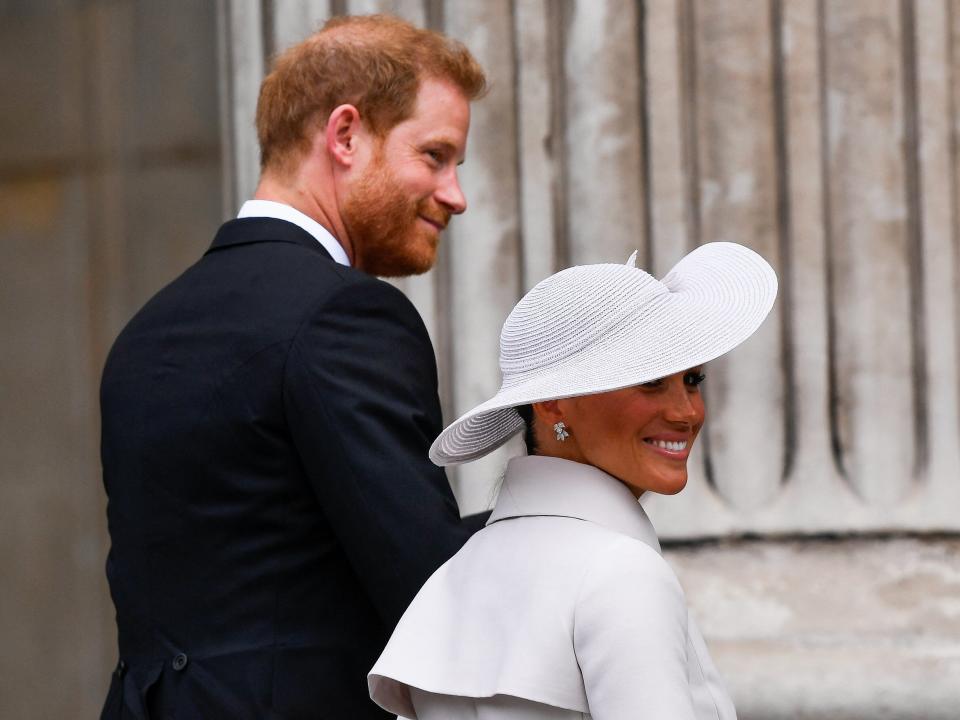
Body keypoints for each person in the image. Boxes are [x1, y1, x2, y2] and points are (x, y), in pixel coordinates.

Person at [99, 14, 487, 720]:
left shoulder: (144, 332)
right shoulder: (347, 315)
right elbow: (431, 585)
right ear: (345, 136)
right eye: (435, 155)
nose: (455, 194)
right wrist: (572, 487)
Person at [369, 242, 778, 719]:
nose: (686, 412)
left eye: (693, 380)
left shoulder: (456, 574)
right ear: (553, 403)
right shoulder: (620, 571)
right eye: (650, 381)